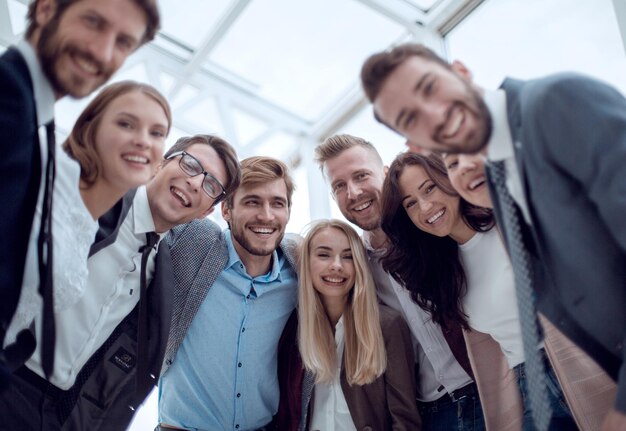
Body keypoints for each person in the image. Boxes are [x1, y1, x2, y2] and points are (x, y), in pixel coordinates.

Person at [361, 43, 626, 430]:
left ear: (462, 71)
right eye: (410, 117)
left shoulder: (553, 102)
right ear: (415, 143)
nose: (433, 113)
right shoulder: (502, 187)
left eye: (429, 87)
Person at [0, 134, 241, 431]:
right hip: (11, 373)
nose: (195, 182)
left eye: (211, 185)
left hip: (56, 413)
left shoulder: (163, 271)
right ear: (160, 164)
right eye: (191, 165)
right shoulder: (92, 201)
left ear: (207, 212)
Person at [0, 0, 160, 384]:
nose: (102, 51)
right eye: (93, 22)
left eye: (123, 42)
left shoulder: (34, 124)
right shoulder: (8, 97)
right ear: (45, 9)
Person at [381, 151, 583, 430]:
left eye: (430, 188)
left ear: (449, 178)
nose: (425, 207)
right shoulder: (447, 275)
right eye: (411, 203)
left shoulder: (509, 222)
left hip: (576, 363)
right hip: (529, 386)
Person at [314, 134, 485, 431]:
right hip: (431, 414)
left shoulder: (433, 225)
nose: (353, 192)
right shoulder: (354, 269)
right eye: (339, 186)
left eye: (361, 176)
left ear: (384, 173)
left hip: (486, 386)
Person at [4, 80, 171, 357]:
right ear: (90, 127)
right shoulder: (38, 171)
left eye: (157, 133)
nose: (143, 140)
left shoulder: (91, 224)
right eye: (126, 124)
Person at [158, 156, 298, 431]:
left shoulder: (299, 268)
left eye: (277, 203)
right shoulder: (194, 241)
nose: (266, 215)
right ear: (225, 210)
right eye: (252, 201)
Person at [276, 219, 421, 430]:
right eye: (324, 254)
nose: (336, 265)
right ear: (306, 263)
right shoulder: (294, 329)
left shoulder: (387, 325)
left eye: (348, 256)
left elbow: (405, 420)